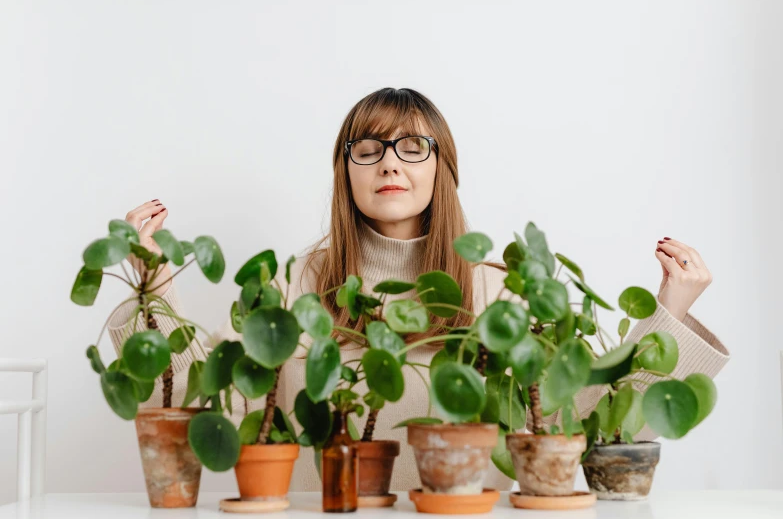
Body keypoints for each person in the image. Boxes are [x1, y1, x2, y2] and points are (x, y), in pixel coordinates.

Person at [108, 87, 730, 492]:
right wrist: (152, 280)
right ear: (344, 171)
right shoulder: (294, 286)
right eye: (368, 147)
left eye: (412, 146)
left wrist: (670, 313)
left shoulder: (500, 289)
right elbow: (190, 403)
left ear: (442, 169)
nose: (389, 163)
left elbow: (592, 421)